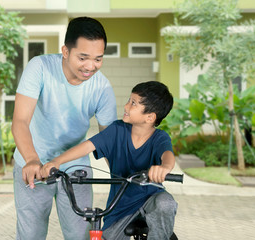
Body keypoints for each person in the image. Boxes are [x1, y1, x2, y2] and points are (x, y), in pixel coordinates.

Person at [11, 16, 117, 240]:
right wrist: (31, 159)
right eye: (83, 57)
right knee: (31, 234)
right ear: (66, 51)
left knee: (80, 234)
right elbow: (20, 121)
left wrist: (123, 172)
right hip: (33, 164)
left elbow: (109, 138)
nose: (90, 66)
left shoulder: (102, 87)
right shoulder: (39, 67)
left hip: (75, 166)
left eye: (98, 59)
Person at [41, 81, 177, 240]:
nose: (126, 106)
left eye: (133, 103)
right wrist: (56, 161)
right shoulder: (117, 130)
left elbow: (167, 155)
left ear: (150, 117)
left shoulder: (159, 138)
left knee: (165, 203)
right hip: (121, 206)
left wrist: (165, 168)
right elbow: (87, 146)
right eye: (128, 100)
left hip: (151, 200)